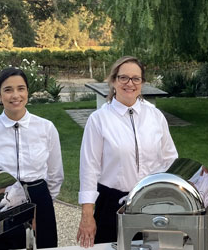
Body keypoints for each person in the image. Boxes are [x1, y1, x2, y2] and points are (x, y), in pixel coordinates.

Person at [76, 56, 178, 247]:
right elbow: (89, 169)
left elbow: (170, 159)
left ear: (142, 83)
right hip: (112, 204)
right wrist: (87, 216)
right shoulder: (98, 119)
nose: (129, 83)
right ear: (113, 81)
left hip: (152, 202)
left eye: (135, 78)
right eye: (123, 78)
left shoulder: (155, 116)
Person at [0, 68, 63, 249]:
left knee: (43, 245)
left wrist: (44, 202)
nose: (15, 95)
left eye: (21, 88)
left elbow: (55, 172)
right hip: (2, 202)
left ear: (27, 92)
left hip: (38, 198)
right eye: (8, 90)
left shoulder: (46, 128)